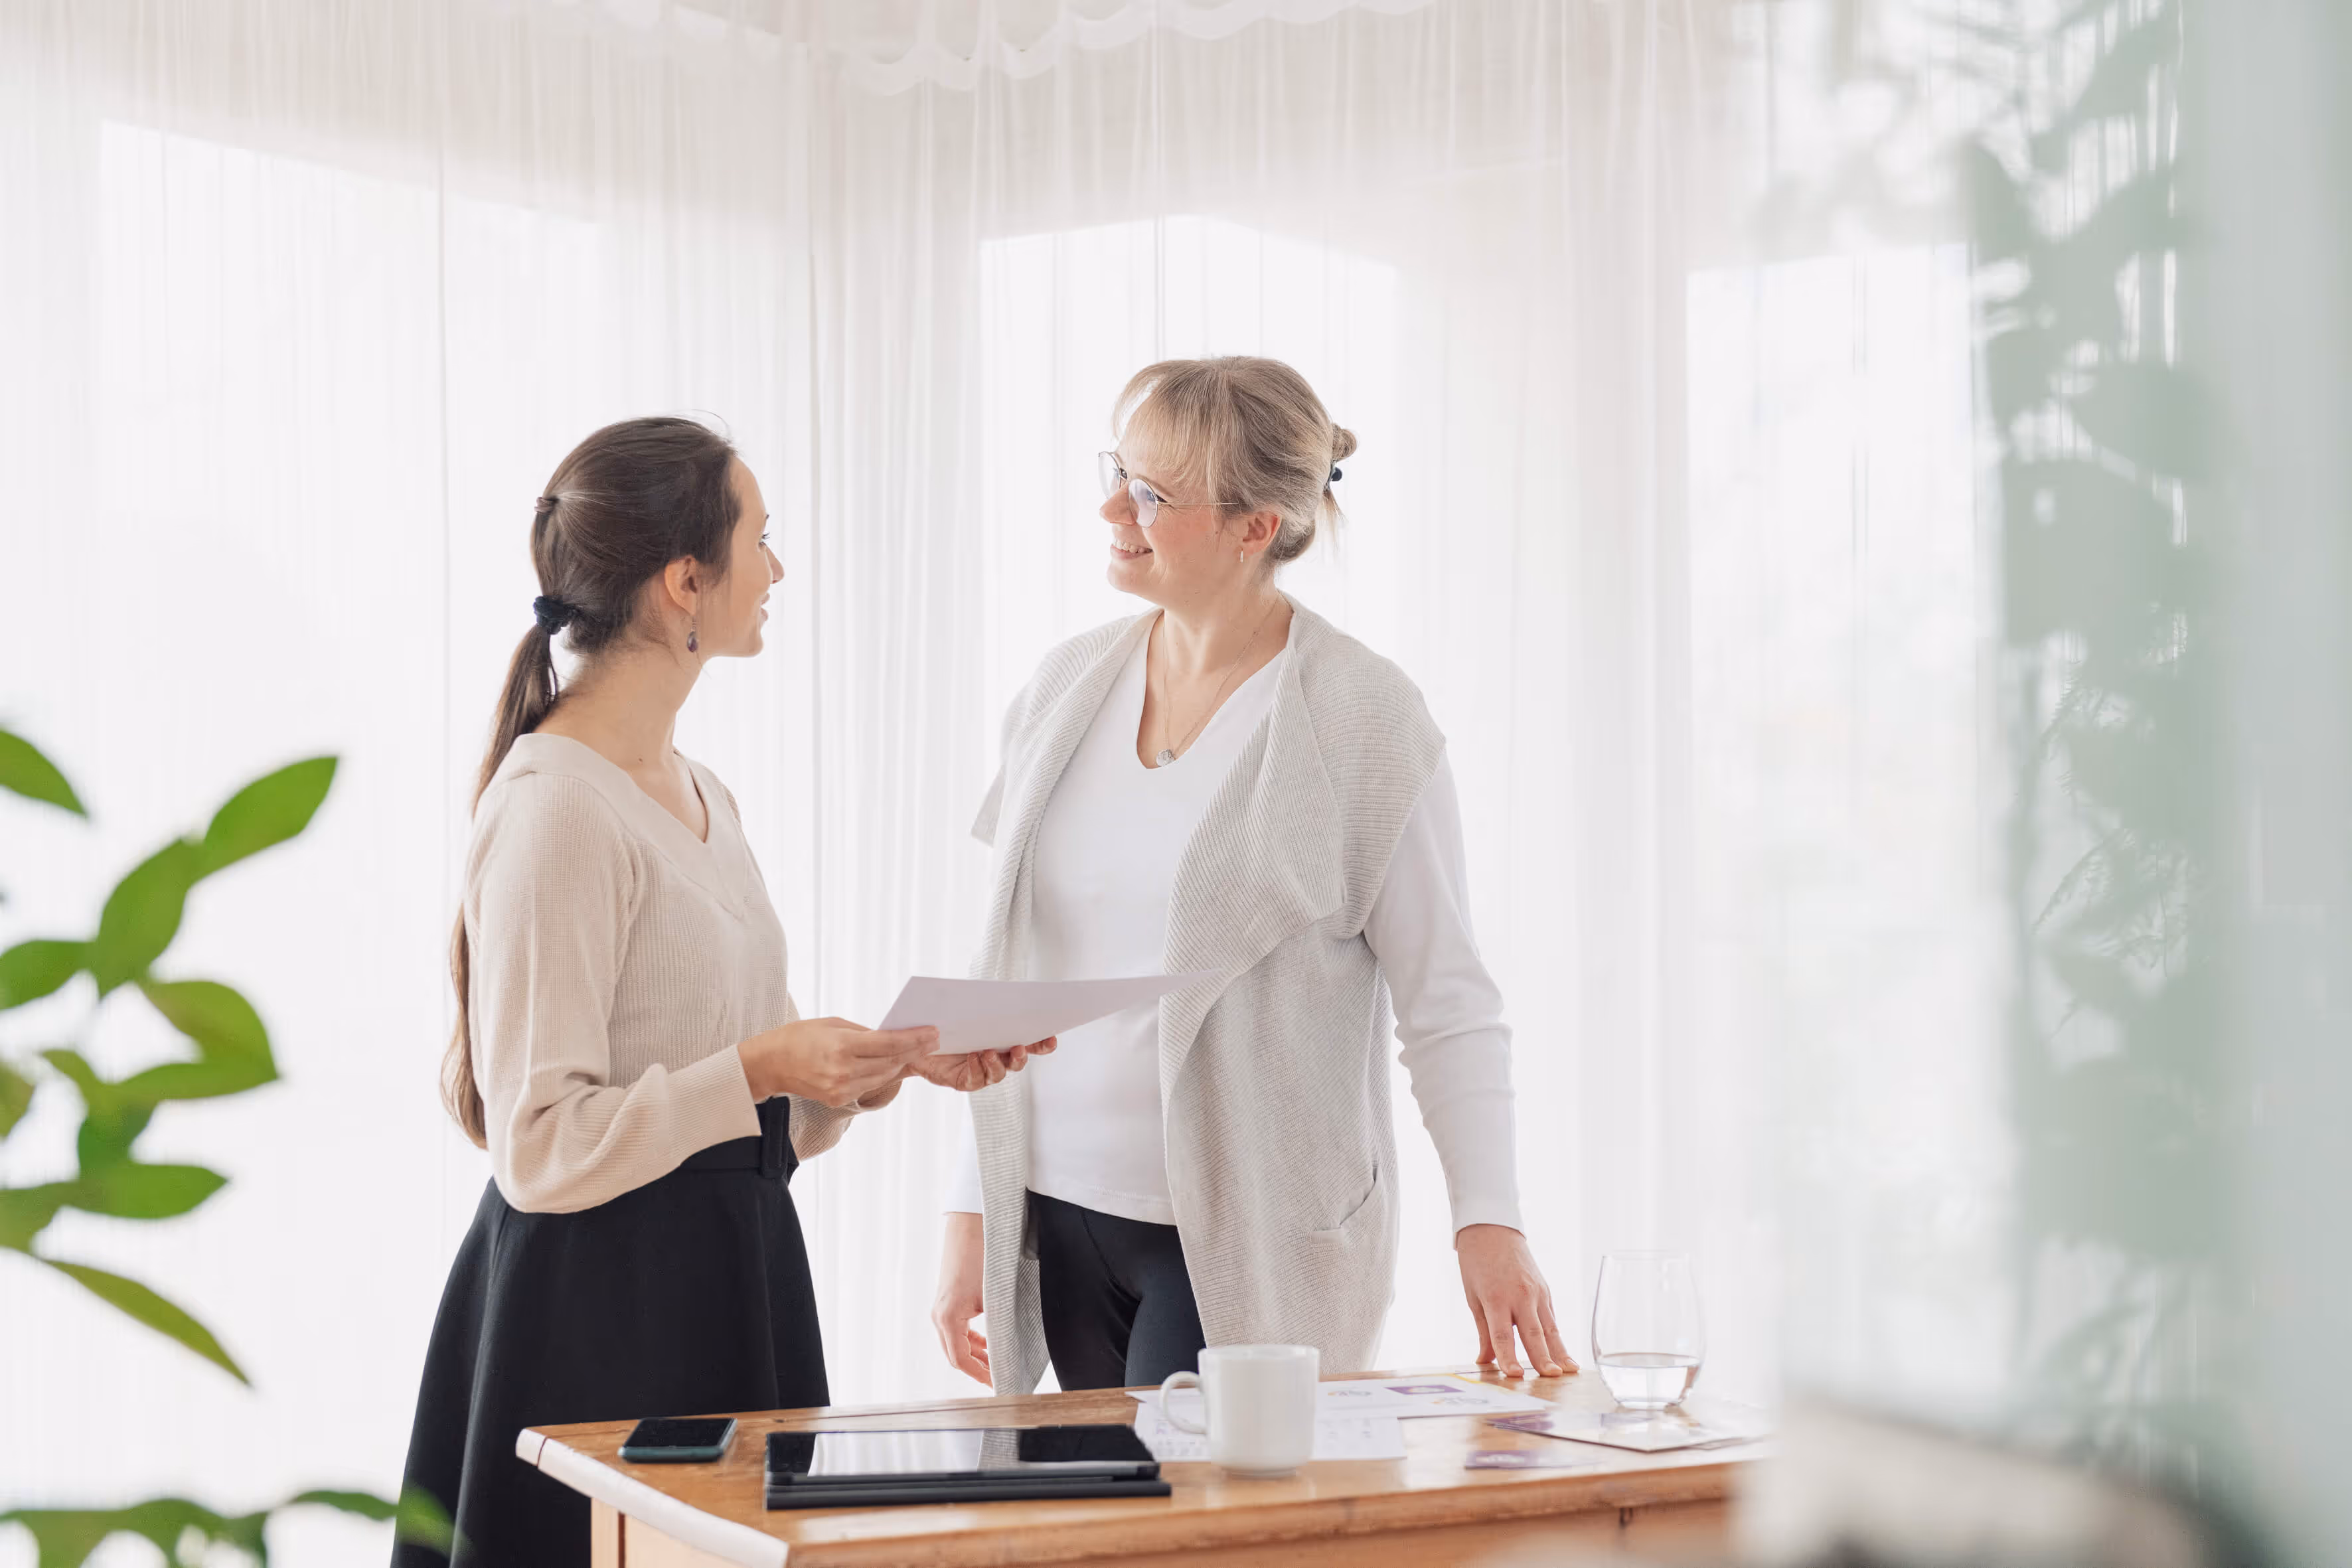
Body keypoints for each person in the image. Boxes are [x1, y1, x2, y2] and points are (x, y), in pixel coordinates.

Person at [397, 416, 1043, 1567]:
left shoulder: (699, 790)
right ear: (684, 580)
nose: (778, 570)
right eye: (761, 539)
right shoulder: (555, 808)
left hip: (732, 1274)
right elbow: (540, 1145)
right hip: (598, 1316)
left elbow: (737, 1103)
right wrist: (760, 1067)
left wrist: (882, 1063)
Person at [930, 357, 1573, 1395]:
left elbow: (1448, 1002)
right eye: (1118, 471)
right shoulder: (1060, 687)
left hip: (1248, 1238)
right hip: (1058, 1214)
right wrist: (974, 1208)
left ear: (1253, 528)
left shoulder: (1365, 721)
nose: (1110, 507)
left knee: (1201, 1536)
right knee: (1097, 1547)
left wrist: (1487, 1221)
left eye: (1150, 494)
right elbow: (1009, 969)